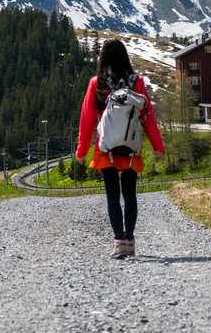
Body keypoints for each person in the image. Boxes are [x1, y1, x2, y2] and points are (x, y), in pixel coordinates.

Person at [75, 38, 165, 259]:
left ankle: (119, 241)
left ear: (103, 58)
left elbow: (87, 119)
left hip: (106, 148)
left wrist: (81, 151)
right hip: (131, 147)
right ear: (125, 57)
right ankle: (131, 240)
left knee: (113, 196)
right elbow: (147, 116)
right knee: (130, 195)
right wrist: (157, 146)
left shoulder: (97, 83)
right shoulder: (137, 82)